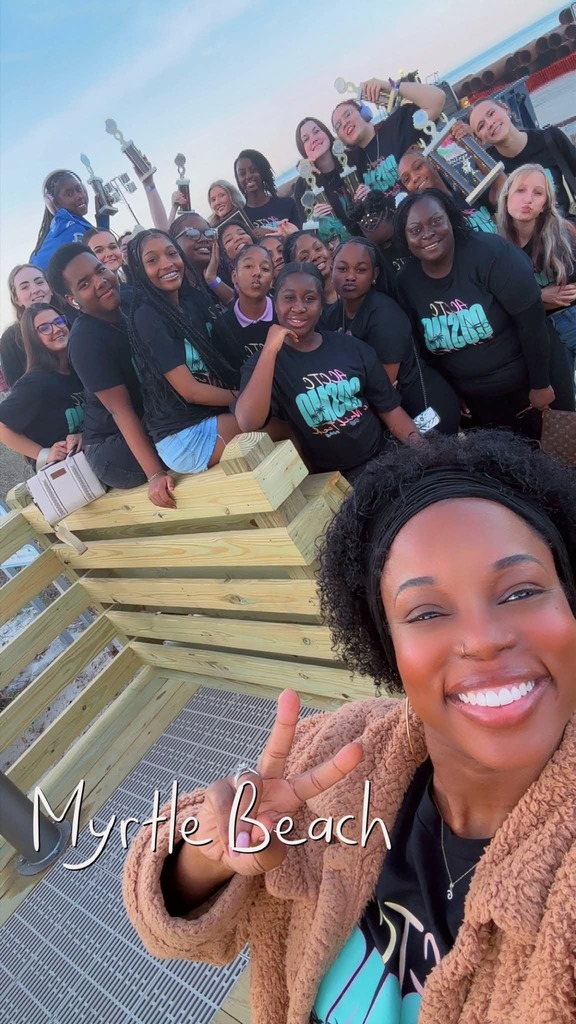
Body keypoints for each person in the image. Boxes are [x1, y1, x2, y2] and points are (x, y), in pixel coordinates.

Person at [124, 428, 576, 1024]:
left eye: (520, 590)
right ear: (387, 648)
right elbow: (173, 932)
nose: (485, 639)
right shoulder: (336, 754)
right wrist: (213, 854)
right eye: (428, 612)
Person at [395, 189, 574, 438]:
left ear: (450, 218)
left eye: (436, 221)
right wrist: (447, 391)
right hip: (480, 402)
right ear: (405, 239)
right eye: (415, 230)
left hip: (534, 382)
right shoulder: (407, 282)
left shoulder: (489, 254)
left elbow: (532, 322)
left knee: (562, 458)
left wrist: (541, 384)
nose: (427, 234)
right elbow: (421, 348)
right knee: (512, 470)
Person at [235, 262, 423, 481]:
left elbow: (390, 409)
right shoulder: (263, 365)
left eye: (309, 298)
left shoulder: (350, 347)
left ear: (322, 305)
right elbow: (248, 422)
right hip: (334, 479)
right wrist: (269, 349)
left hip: (383, 458)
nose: (299, 307)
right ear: (275, 303)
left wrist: (424, 451)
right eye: (288, 298)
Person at [46, 243, 175, 508]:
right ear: (72, 300)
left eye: (100, 270)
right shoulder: (85, 342)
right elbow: (119, 411)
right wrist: (155, 474)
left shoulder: (130, 300)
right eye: (84, 283)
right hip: (112, 449)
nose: (100, 281)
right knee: (181, 439)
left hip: (152, 418)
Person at [127, 230, 241, 474]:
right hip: (183, 436)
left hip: (208, 416)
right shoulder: (147, 316)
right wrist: (245, 396)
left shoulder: (189, 306)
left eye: (171, 253)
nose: (167, 264)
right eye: (152, 260)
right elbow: (191, 391)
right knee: (276, 426)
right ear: (139, 271)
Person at [326, 238, 462, 432]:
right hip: (392, 413)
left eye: (361, 269)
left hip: (423, 408)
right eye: (342, 268)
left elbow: (382, 385)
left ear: (375, 274)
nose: (350, 276)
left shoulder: (384, 315)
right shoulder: (332, 314)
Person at [496, 164, 576, 373]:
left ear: (544, 204)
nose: (528, 199)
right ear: (506, 197)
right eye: (520, 190)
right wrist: (540, 296)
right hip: (541, 332)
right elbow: (508, 305)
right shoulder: (497, 249)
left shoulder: (564, 232)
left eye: (538, 193)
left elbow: (567, 295)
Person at [331, 78, 446, 201]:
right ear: (341, 139)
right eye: (338, 126)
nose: (344, 123)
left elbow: (437, 99)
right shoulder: (354, 165)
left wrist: (391, 87)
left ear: (364, 112)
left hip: (439, 205)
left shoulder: (397, 124)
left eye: (347, 114)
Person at [0, 303, 83, 469]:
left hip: (89, 455)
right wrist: (43, 453)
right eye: (44, 327)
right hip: (65, 473)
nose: (56, 328)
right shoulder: (35, 381)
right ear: (33, 338)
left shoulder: (78, 369)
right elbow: (2, 425)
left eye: (59, 321)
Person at [463, 99, 576, 220]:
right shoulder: (487, 166)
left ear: (506, 108)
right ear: (480, 140)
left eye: (491, 113)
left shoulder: (549, 138)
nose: (490, 123)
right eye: (481, 126)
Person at [0, 263, 72, 388]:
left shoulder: (72, 316)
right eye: (25, 287)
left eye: (39, 282)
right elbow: (16, 388)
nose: (35, 290)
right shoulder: (10, 339)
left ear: (50, 287)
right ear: (16, 299)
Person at [398, 146, 497, 233]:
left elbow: (500, 194)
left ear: (432, 162)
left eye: (418, 167)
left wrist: (472, 145)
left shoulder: (466, 192)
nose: (415, 178)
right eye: (407, 179)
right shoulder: (429, 226)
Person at [30, 169, 110, 271]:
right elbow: (104, 257)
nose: (79, 196)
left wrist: (102, 216)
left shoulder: (60, 226)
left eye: (79, 189)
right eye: (69, 194)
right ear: (54, 203)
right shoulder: (74, 229)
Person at [293, 117, 355, 234]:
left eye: (316, 131)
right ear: (303, 149)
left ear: (326, 132)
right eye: (306, 139)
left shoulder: (351, 158)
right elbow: (307, 232)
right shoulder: (302, 186)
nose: (313, 139)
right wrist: (315, 219)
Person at [218, 245, 276, 367]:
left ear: (272, 281)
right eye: (248, 266)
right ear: (235, 277)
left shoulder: (285, 313)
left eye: (265, 268)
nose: (257, 273)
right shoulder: (223, 327)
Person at [169, 213, 235, 305]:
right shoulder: (176, 294)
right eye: (192, 233)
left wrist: (213, 280)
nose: (205, 239)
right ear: (175, 244)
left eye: (209, 233)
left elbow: (247, 309)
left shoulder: (227, 272)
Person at [234, 149, 302, 231]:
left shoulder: (287, 204)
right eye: (242, 173)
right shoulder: (240, 219)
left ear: (263, 172)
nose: (248, 176)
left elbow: (301, 236)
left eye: (253, 170)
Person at [350, 191, 409, 279]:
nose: (382, 251)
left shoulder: (421, 245)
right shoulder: (376, 269)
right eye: (376, 246)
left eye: (388, 242)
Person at [283, 231, 338, 304]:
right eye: (305, 257)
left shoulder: (352, 289)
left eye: (318, 248)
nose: (315, 256)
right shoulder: (300, 309)